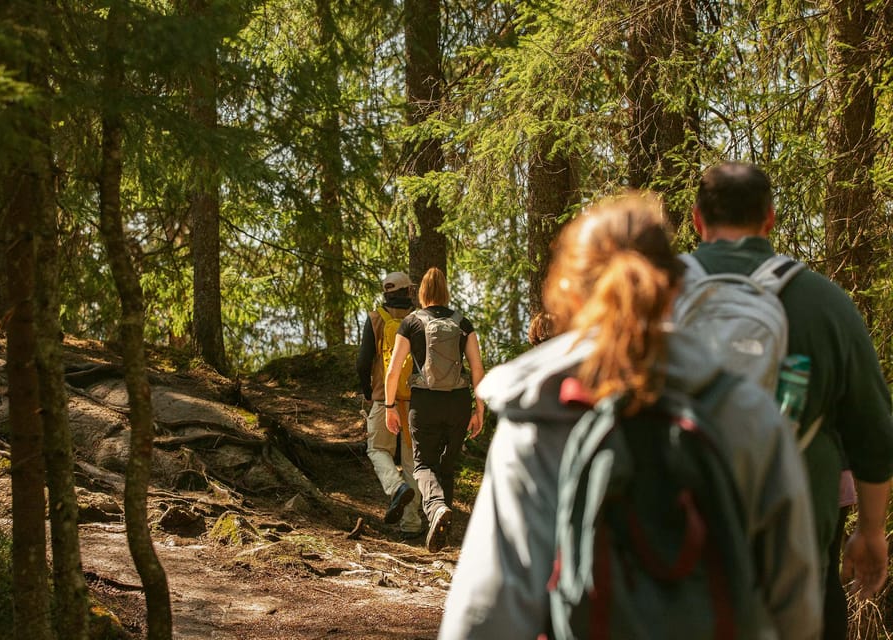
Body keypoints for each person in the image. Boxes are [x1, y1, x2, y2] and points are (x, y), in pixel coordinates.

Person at [439, 192, 821, 639]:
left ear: (566, 293)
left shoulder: (538, 416)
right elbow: (796, 603)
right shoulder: (747, 413)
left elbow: (489, 612)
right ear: (676, 288)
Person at [690, 162, 893, 637]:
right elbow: (874, 436)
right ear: (770, 220)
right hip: (797, 547)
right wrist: (870, 530)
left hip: (674, 548)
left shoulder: (647, 296)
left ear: (698, 220)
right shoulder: (825, 303)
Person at [383, 267, 485, 553]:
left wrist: (390, 406)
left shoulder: (411, 322)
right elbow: (476, 368)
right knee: (447, 467)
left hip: (425, 401)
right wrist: (479, 408)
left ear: (423, 293)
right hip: (458, 401)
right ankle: (442, 533)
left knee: (423, 464)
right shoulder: (462, 323)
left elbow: (393, 371)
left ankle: (436, 508)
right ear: (446, 293)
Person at [355, 271, 423, 539]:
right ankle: (412, 525)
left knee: (376, 449)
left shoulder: (375, 319)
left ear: (385, 292)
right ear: (408, 291)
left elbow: (363, 361)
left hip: (384, 398)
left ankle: (395, 488)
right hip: (414, 399)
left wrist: (367, 391)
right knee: (411, 462)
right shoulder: (419, 319)